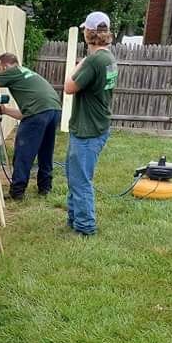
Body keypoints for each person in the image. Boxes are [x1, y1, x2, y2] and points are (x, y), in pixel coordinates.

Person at [63, 12, 118, 236]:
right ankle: (73, 219)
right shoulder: (108, 58)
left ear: (89, 33)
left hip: (87, 130)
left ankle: (85, 227)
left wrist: (81, 63)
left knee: (80, 180)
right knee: (74, 175)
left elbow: (68, 87)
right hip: (96, 126)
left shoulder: (94, 60)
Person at [0, 53, 61, 200]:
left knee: (23, 152)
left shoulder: (11, 72)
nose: (0, 73)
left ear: (5, 66)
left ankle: (17, 192)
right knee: (46, 150)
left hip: (39, 112)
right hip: (54, 109)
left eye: (0, 69)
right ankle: (45, 188)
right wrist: (5, 111)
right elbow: (27, 114)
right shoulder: (26, 73)